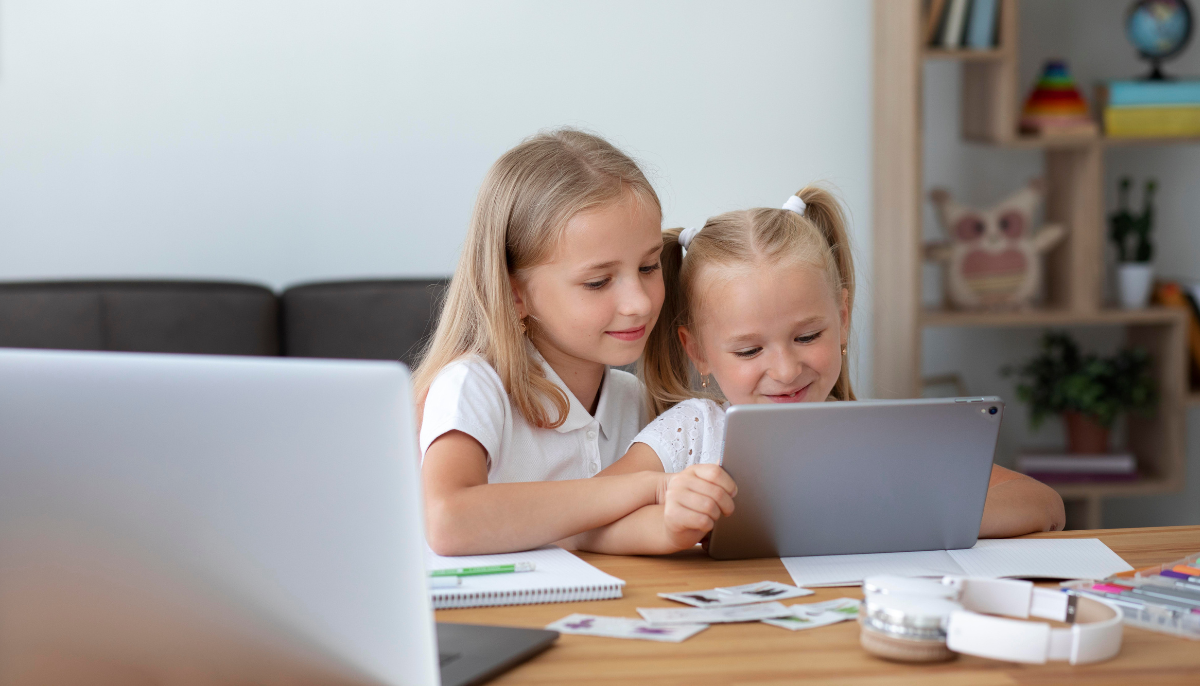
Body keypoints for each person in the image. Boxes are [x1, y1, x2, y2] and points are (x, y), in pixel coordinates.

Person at [580, 185, 1065, 553]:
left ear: (843, 318)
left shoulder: (876, 434)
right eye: (749, 351)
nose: (787, 369)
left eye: (807, 337)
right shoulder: (691, 433)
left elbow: (1044, 506)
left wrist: (896, 516)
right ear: (698, 351)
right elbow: (581, 520)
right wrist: (671, 524)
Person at [416, 129, 728, 556]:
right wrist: (646, 487)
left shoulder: (632, 400)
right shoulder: (473, 387)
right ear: (515, 294)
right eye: (597, 282)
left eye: (649, 266)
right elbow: (448, 521)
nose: (638, 303)